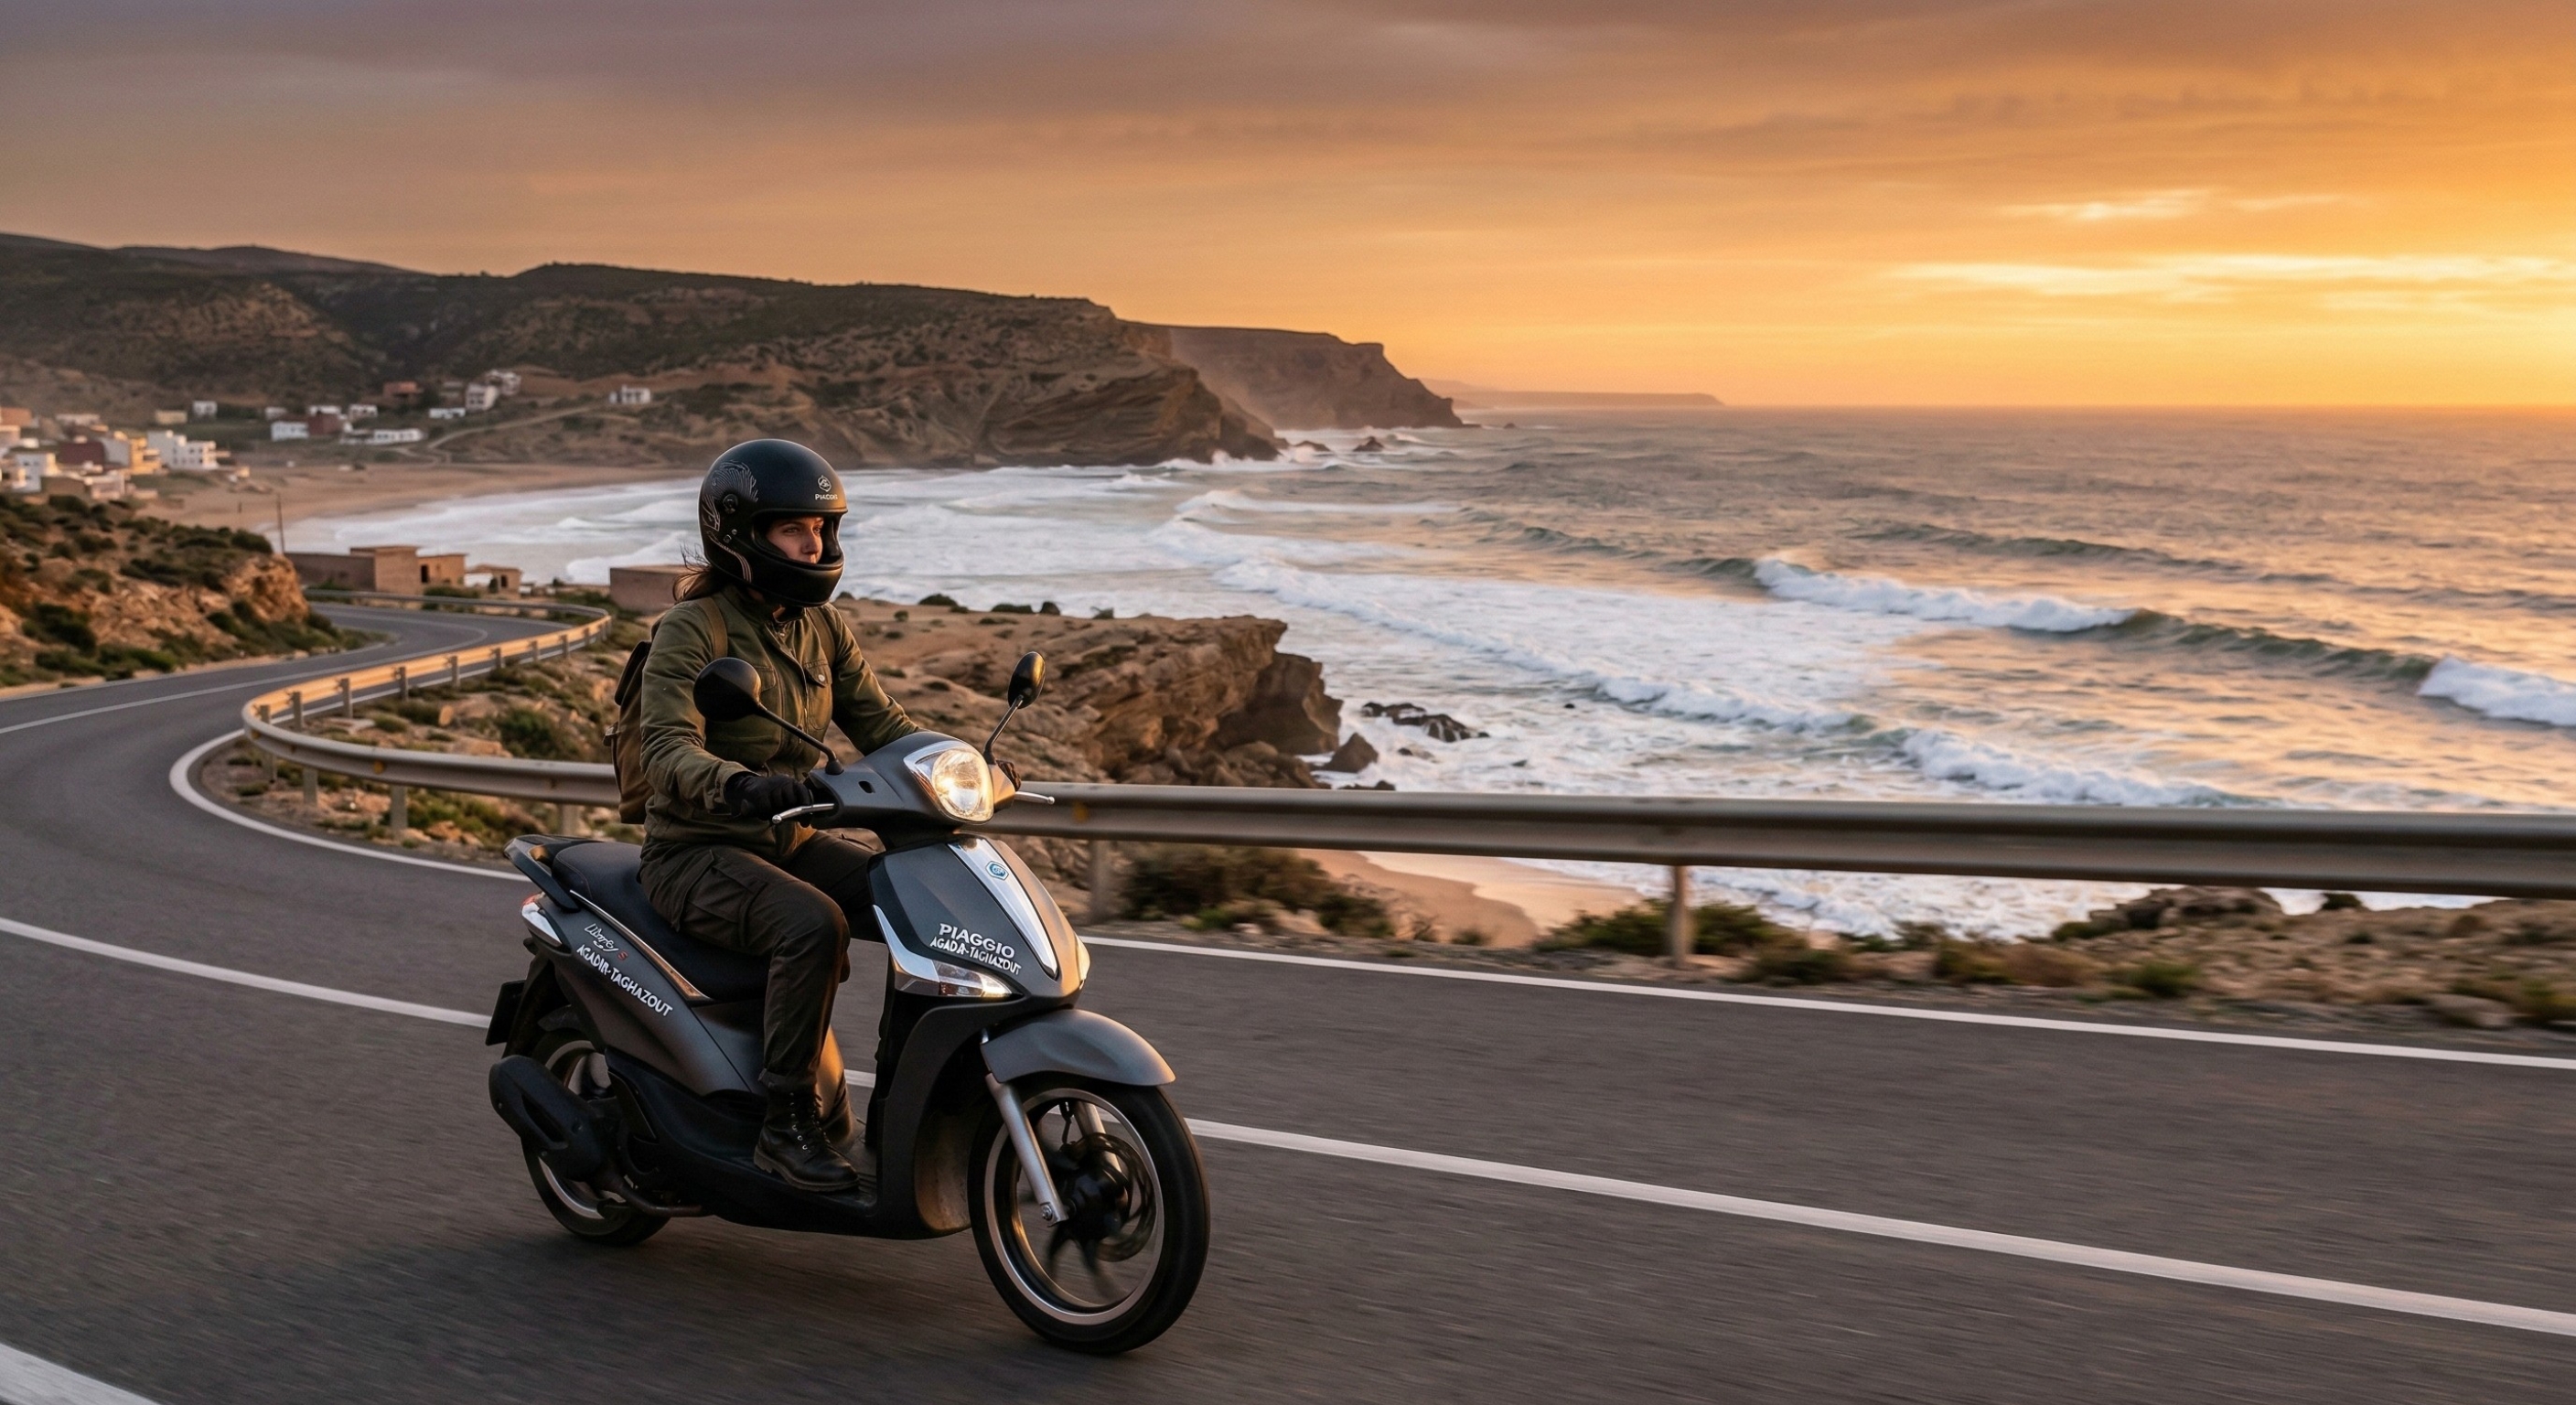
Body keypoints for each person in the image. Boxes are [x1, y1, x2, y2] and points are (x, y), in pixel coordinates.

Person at [635, 439, 919, 1193]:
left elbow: (886, 727)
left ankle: (909, 1097)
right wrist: (736, 783)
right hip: (696, 853)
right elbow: (665, 747)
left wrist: (965, 764)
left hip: (788, 839)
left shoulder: (820, 628)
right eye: (796, 529)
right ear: (742, 535)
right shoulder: (693, 631)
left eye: (823, 528)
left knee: (915, 898)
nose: (815, 543)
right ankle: (786, 1125)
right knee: (812, 925)